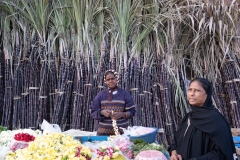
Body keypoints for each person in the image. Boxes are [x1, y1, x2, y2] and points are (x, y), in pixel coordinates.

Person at [168, 78, 237, 160]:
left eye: (197, 90)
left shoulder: (216, 120)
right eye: (190, 90)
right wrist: (174, 152)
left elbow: (221, 153)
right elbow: (176, 140)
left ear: (207, 95)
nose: (192, 94)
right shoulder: (189, 117)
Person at [90, 69, 136, 136]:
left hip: (122, 134)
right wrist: (102, 112)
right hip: (103, 134)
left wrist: (122, 114)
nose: (110, 81)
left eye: (112, 78)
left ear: (116, 79)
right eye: (108, 80)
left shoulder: (125, 94)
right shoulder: (100, 95)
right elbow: (93, 111)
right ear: (105, 82)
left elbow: (132, 111)